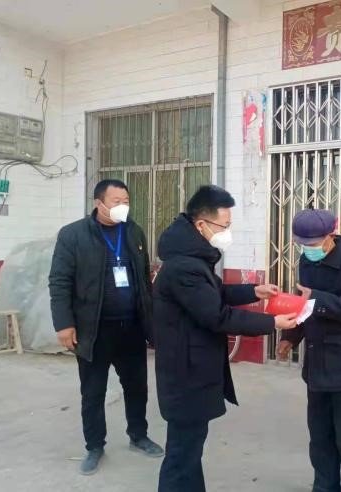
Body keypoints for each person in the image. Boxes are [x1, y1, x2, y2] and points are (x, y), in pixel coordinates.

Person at [153, 185, 299, 492]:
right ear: (201, 224)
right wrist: (271, 322)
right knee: (182, 454)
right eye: (224, 226)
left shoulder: (193, 258)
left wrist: (253, 291)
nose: (227, 233)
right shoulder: (185, 267)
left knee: (190, 450)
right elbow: (216, 315)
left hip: (193, 366)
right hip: (186, 372)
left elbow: (214, 294)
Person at [49, 179, 163, 476]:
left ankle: (138, 435)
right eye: (116, 201)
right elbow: (59, 282)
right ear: (98, 203)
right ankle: (94, 446)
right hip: (93, 330)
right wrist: (64, 324)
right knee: (93, 391)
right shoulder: (73, 235)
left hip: (131, 327)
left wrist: (151, 321)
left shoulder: (134, 231)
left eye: (126, 201)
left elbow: (143, 279)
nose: (123, 206)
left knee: (136, 387)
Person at [278, 209, 341, 492]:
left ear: (330, 236)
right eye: (302, 244)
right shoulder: (306, 262)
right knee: (320, 439)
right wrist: (291, 336)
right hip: (318, 366)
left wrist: (318, 298)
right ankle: (324, 487)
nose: (307, 249)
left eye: (312, 244)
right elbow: (303, 305)